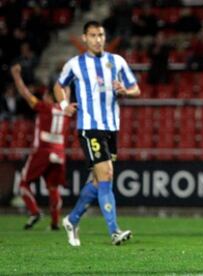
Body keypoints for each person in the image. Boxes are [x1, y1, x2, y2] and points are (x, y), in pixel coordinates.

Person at [54, 20, 140, 246]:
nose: (97, 39)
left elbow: (135, 88)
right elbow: (58, 85)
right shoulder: (75, 64)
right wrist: (64, 105)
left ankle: (72, 220)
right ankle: (114, 231)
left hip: (112, 127)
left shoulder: (117, 61)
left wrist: (125, 90)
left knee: (97, 180)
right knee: (107, 175)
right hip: (89, 126)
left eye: (100, 35)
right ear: (84, 38)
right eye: (92, 35)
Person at [10, 63, 72, 230]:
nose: (43, 96)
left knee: (23, 183)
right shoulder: (67, 111)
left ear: (50, 97)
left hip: (43, 151)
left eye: (45, 95)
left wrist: (16, 76)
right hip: (59, 153)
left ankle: (34, 211)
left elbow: (25, 93)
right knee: (53, 188)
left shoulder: (45, 107)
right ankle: (55, 222)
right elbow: (66, 94)